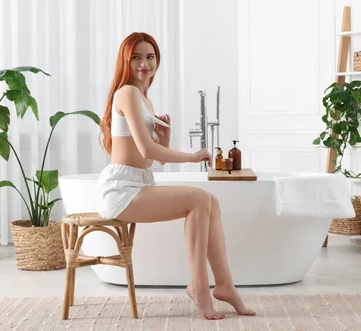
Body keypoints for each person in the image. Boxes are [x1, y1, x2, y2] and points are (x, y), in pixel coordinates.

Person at [97, 32, 256, 320]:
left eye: (150, 56)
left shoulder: (145, 99)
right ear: (125, 60)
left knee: (210, 201)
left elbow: (151, 159)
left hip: (139, 183)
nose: (144, 63)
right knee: (198, 199)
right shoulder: (128, 93)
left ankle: (224, 285)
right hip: (122, 191)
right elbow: (146, 148)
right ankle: (199, 286)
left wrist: (165, 141)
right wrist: (192, 156)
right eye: (136, 57)